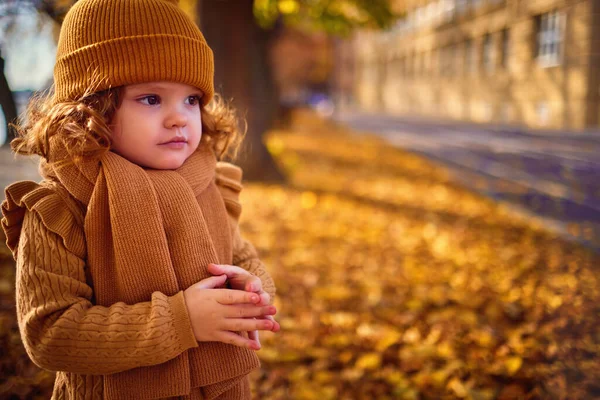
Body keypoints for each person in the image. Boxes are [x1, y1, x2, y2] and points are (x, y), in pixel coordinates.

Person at [0, 0, 279, 398]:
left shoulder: (209, 185)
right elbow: (51, 333)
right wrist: (181, 321)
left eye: (192, 100)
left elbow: (241, 256)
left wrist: (253, 291)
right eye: (151, 99)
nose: (179, 117)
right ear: (91, 109)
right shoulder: (59, 208)